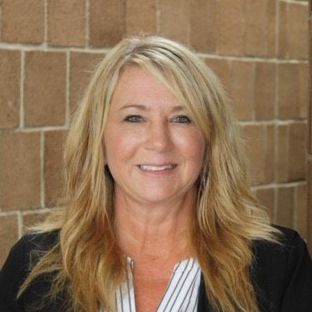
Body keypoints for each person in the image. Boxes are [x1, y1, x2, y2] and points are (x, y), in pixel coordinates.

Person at [0, 36, 312, 312]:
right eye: (134, 118)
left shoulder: (278, 265)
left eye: (182, 118)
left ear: (209, 140)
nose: (159, 141)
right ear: (98, 138)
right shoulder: (35, 264)